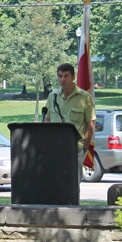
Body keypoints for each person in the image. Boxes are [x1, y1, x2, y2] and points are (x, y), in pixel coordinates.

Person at [44, 63, 97, 200]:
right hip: (55, 149)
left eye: (66, 76)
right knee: (54, 185)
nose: (63, 79)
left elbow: (90, 124)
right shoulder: (53, 96)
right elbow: (47, 121)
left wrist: (85, 147)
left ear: (73, 77)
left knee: (72, 186)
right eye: (60, 76)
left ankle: (73, 214)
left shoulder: (85, 97)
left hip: (76, 149)